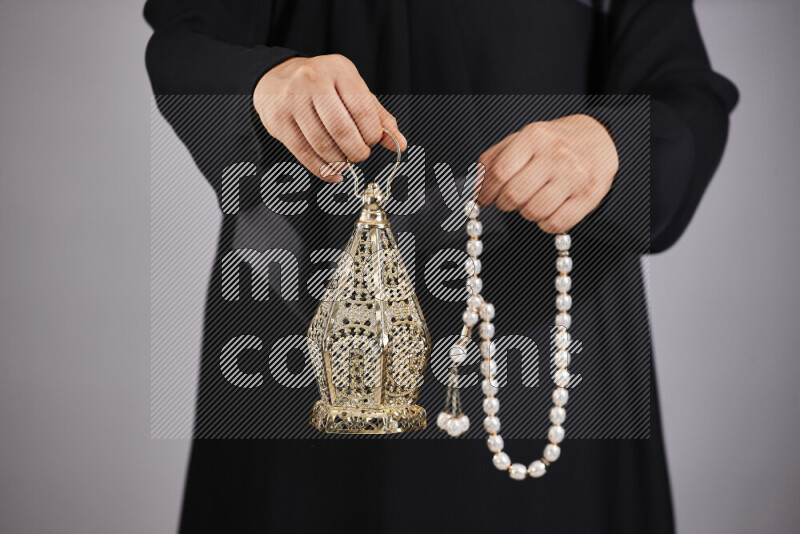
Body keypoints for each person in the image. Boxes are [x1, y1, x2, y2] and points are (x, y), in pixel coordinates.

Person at [145, 1, 737, 532]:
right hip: (307, 357)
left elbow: (686, 89)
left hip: (549, 362)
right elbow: (185, 40)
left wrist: (612, 144)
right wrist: (262, 81)